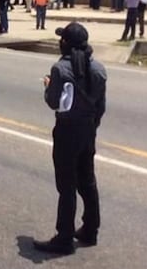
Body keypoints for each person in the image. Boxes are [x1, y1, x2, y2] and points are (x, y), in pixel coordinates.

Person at [34, 22, 107, 255]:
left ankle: (64, 236)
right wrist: (92, 126)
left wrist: (48, 86)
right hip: (87, 130)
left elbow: (54, 102)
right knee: (87, 179)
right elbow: (101, 107)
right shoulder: (98, 69)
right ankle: (90, 228)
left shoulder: (60, 69)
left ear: (64, 43)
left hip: (67, 130)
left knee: (66, 185)